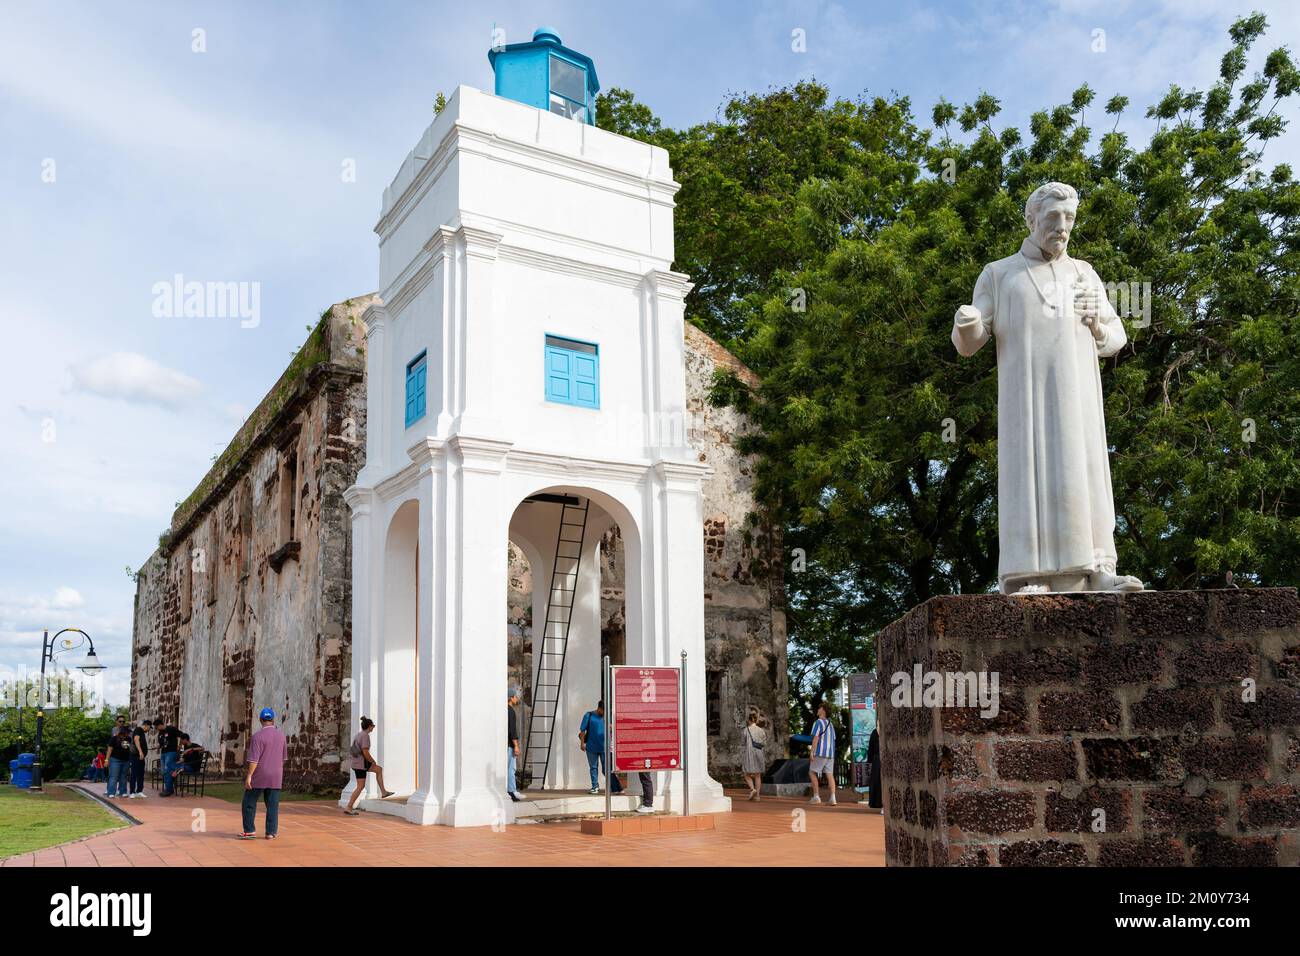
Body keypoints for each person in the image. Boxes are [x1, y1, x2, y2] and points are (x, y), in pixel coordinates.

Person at [242, 707, 287, 839]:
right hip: (276, 776)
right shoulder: (281, 736)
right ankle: (271, 832)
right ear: (273, 720)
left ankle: (249, 830)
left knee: (249, 802)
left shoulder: (257, 737)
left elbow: (254, 760)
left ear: (261, 719)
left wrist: (249, 776)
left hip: (260, 776)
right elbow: (283, 758)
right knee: (272, 805)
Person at [343, 716, 393, 815]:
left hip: (357, 763)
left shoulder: (359, 734)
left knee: (378, 770)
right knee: (360, 786)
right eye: (373, 726)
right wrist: (372, 761)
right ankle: (349, 807)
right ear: (369, 726)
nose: (373, 728)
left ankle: (383, 792)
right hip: (361, 764)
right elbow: (365, 751)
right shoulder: (365, 736)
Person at [578, 701, 621, 795]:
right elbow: (582, 731)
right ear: (599, 708)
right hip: (591, 747)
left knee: (606, 769)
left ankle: (615, 787)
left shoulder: (607, 717)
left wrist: (610, 727)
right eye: (604, 711)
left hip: (604, 748)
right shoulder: (588, 715)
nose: (605, 713)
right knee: (593, 767)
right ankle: (595, 787)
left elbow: (612, 729)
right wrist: (582, 744)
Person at [808, 703, 837, 805]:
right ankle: (833, 798)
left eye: (819, 708)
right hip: (830, 753)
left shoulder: (818, 722)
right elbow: (833, 739)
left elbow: (816, 738)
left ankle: (816, 796)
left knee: (812, 772)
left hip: (820, 752)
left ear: (823, 710)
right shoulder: (831, 724)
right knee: (830, 775)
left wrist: (812, 752)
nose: (818, 709)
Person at [741, 713, 768, 801]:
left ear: (749, 720)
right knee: (757, 775)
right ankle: (758, 796)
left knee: (746, 773)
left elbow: (743, 743)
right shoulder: (761, 730)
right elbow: (764, 743)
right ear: (756, 720)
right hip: (758, 753)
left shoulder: (746, 730)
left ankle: (753, 789)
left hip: (749, 753)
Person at [106, 725, 133, 798]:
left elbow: (129, 748)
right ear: (123, 732)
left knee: (123, 777)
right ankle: (111, 792)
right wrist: (106, 760)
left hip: (126, 760)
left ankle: (123, 792)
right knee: (114, 777)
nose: (129, 734)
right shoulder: (114, 739)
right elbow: (109, 749)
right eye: (128, 732)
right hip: (115, 760)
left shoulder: (129, 739)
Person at [156, 719, 181, 796]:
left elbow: (181, 735)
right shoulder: (160, 733)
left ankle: (168, 790)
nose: (156, 729)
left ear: (160, 725)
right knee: (164, 771)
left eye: (157, 727)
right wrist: (158, 746)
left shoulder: (171, 729)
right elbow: (161, 744)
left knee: (167, 770)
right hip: (163, 753)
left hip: (171, 752)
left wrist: (179, 746)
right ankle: (170, 788)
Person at [128, 720, 152, 799]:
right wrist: (140, 752)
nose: (148, 730)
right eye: (149, 728)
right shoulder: (138, 729)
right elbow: (136, 740)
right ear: (146, 725)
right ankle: (132, 792)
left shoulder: (142, 732)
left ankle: (139, 791)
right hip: (136, 756)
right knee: (134, 774)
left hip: (141, 757)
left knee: (141, 774)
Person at [506, 688, 522, 803]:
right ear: (511, 697)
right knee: (511, 769)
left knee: (508, 768)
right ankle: (512, 791)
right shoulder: (510, 710)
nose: (517, 698)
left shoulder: (504, 710)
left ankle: (510, 790)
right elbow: (512, 730)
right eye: (516, 697)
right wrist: (516, 745)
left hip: (505, 744)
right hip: (510, 745)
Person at [866, 726, 882, 812]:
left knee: (876, 781)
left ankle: (875, 802)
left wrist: (869, 760)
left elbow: (870, 747)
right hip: (882, 757)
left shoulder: (875, 732)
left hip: (876, 759)